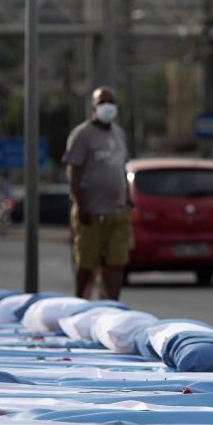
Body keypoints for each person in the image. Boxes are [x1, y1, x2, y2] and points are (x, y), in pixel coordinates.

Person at [63, 87, 133, 301]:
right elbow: (73, 171)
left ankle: (111, 306)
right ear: (93, 106)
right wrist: (81, 204)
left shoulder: (119, 133)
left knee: (116, 262)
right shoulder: (83, 134)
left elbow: (122, 169)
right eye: (103, 102)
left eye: (112, 102)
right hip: (91, 213)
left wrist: (128, 199)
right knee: (86, 263)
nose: (108, 107)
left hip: (117, 212)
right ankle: (80, 303)